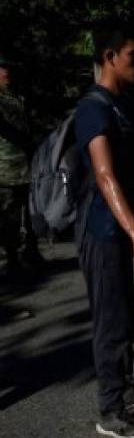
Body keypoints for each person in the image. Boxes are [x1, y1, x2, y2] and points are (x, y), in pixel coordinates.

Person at [74, 23, 134, 438]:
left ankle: (122, 385)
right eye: (132, 55)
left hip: (120, 229)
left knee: (124, 312)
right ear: (109, 57)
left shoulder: (121, 104)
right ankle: (110, 409)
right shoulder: (94, 108)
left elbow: (132, 175)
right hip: (101, 229)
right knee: (109, 318)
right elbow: (106, 177)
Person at [0, 54, 42, 285]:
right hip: (5, 167)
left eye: (8, 67)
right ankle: (12, 258)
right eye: (2, 68)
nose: (6, 72)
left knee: (30, 208)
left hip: (27, 162)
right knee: (10, 214)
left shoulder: (19, 96)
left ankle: (32, 250)